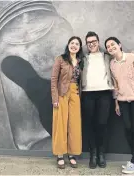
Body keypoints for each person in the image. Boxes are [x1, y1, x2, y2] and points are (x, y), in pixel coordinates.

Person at [104, 37, 134, 174]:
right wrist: (117, 102)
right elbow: (116, 85)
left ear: (119, 45)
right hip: (123, 100)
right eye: (108, 46)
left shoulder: (133, 58)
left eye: (113, 44)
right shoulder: (112, 64)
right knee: (127, 128)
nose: (110, 47)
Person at [81, 31, 114, 169]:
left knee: (102, 124)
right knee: (90, 125)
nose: (92, 44)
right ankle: (93, 154)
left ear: (98, 42)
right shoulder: (83, 58)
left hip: (104, 94)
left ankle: (101, 154)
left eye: (94, 41)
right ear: (86, 45)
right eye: (89, 42)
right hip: (87, 94)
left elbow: (120, 56)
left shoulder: (107, 56)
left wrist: (132, 55)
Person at [51, 36, 84, 169]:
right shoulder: (60, 59)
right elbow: (54, 79)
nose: (74, 45)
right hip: (62, 93)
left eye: (77, 44)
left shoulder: (82, 61)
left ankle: (72, 154)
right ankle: (60, 155)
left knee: (74, 125)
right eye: (72, 43)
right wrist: (55, 98)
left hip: (75, 93)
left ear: (79, 47)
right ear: (68, 45)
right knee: (60, 124)